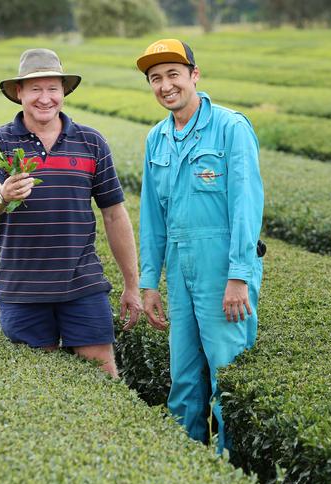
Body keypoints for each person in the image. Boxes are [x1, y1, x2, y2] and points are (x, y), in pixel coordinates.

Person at [0, 48, 141, 378]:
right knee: (38, 382)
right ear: (19, 92)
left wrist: (131, 285)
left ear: (64, 91)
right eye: (35, 89)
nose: (45, 98)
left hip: (82, 283)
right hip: (22, 288)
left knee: (104, 372)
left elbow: (114, 215)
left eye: (53, 88)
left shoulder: (91, 142)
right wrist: (2, 194)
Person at [135, 39, 264, 452]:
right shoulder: (156, 139)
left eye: (173, 74)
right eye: (156, 78)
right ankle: (184, 466)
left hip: (221, 268)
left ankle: (231, 467)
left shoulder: (231, 128)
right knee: (184, 380)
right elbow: (152, 217)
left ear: (194, 75)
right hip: (179, 264)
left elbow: (247, 206)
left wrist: (239, 276)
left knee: (227, 378)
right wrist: (149, 282)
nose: (165, 85)